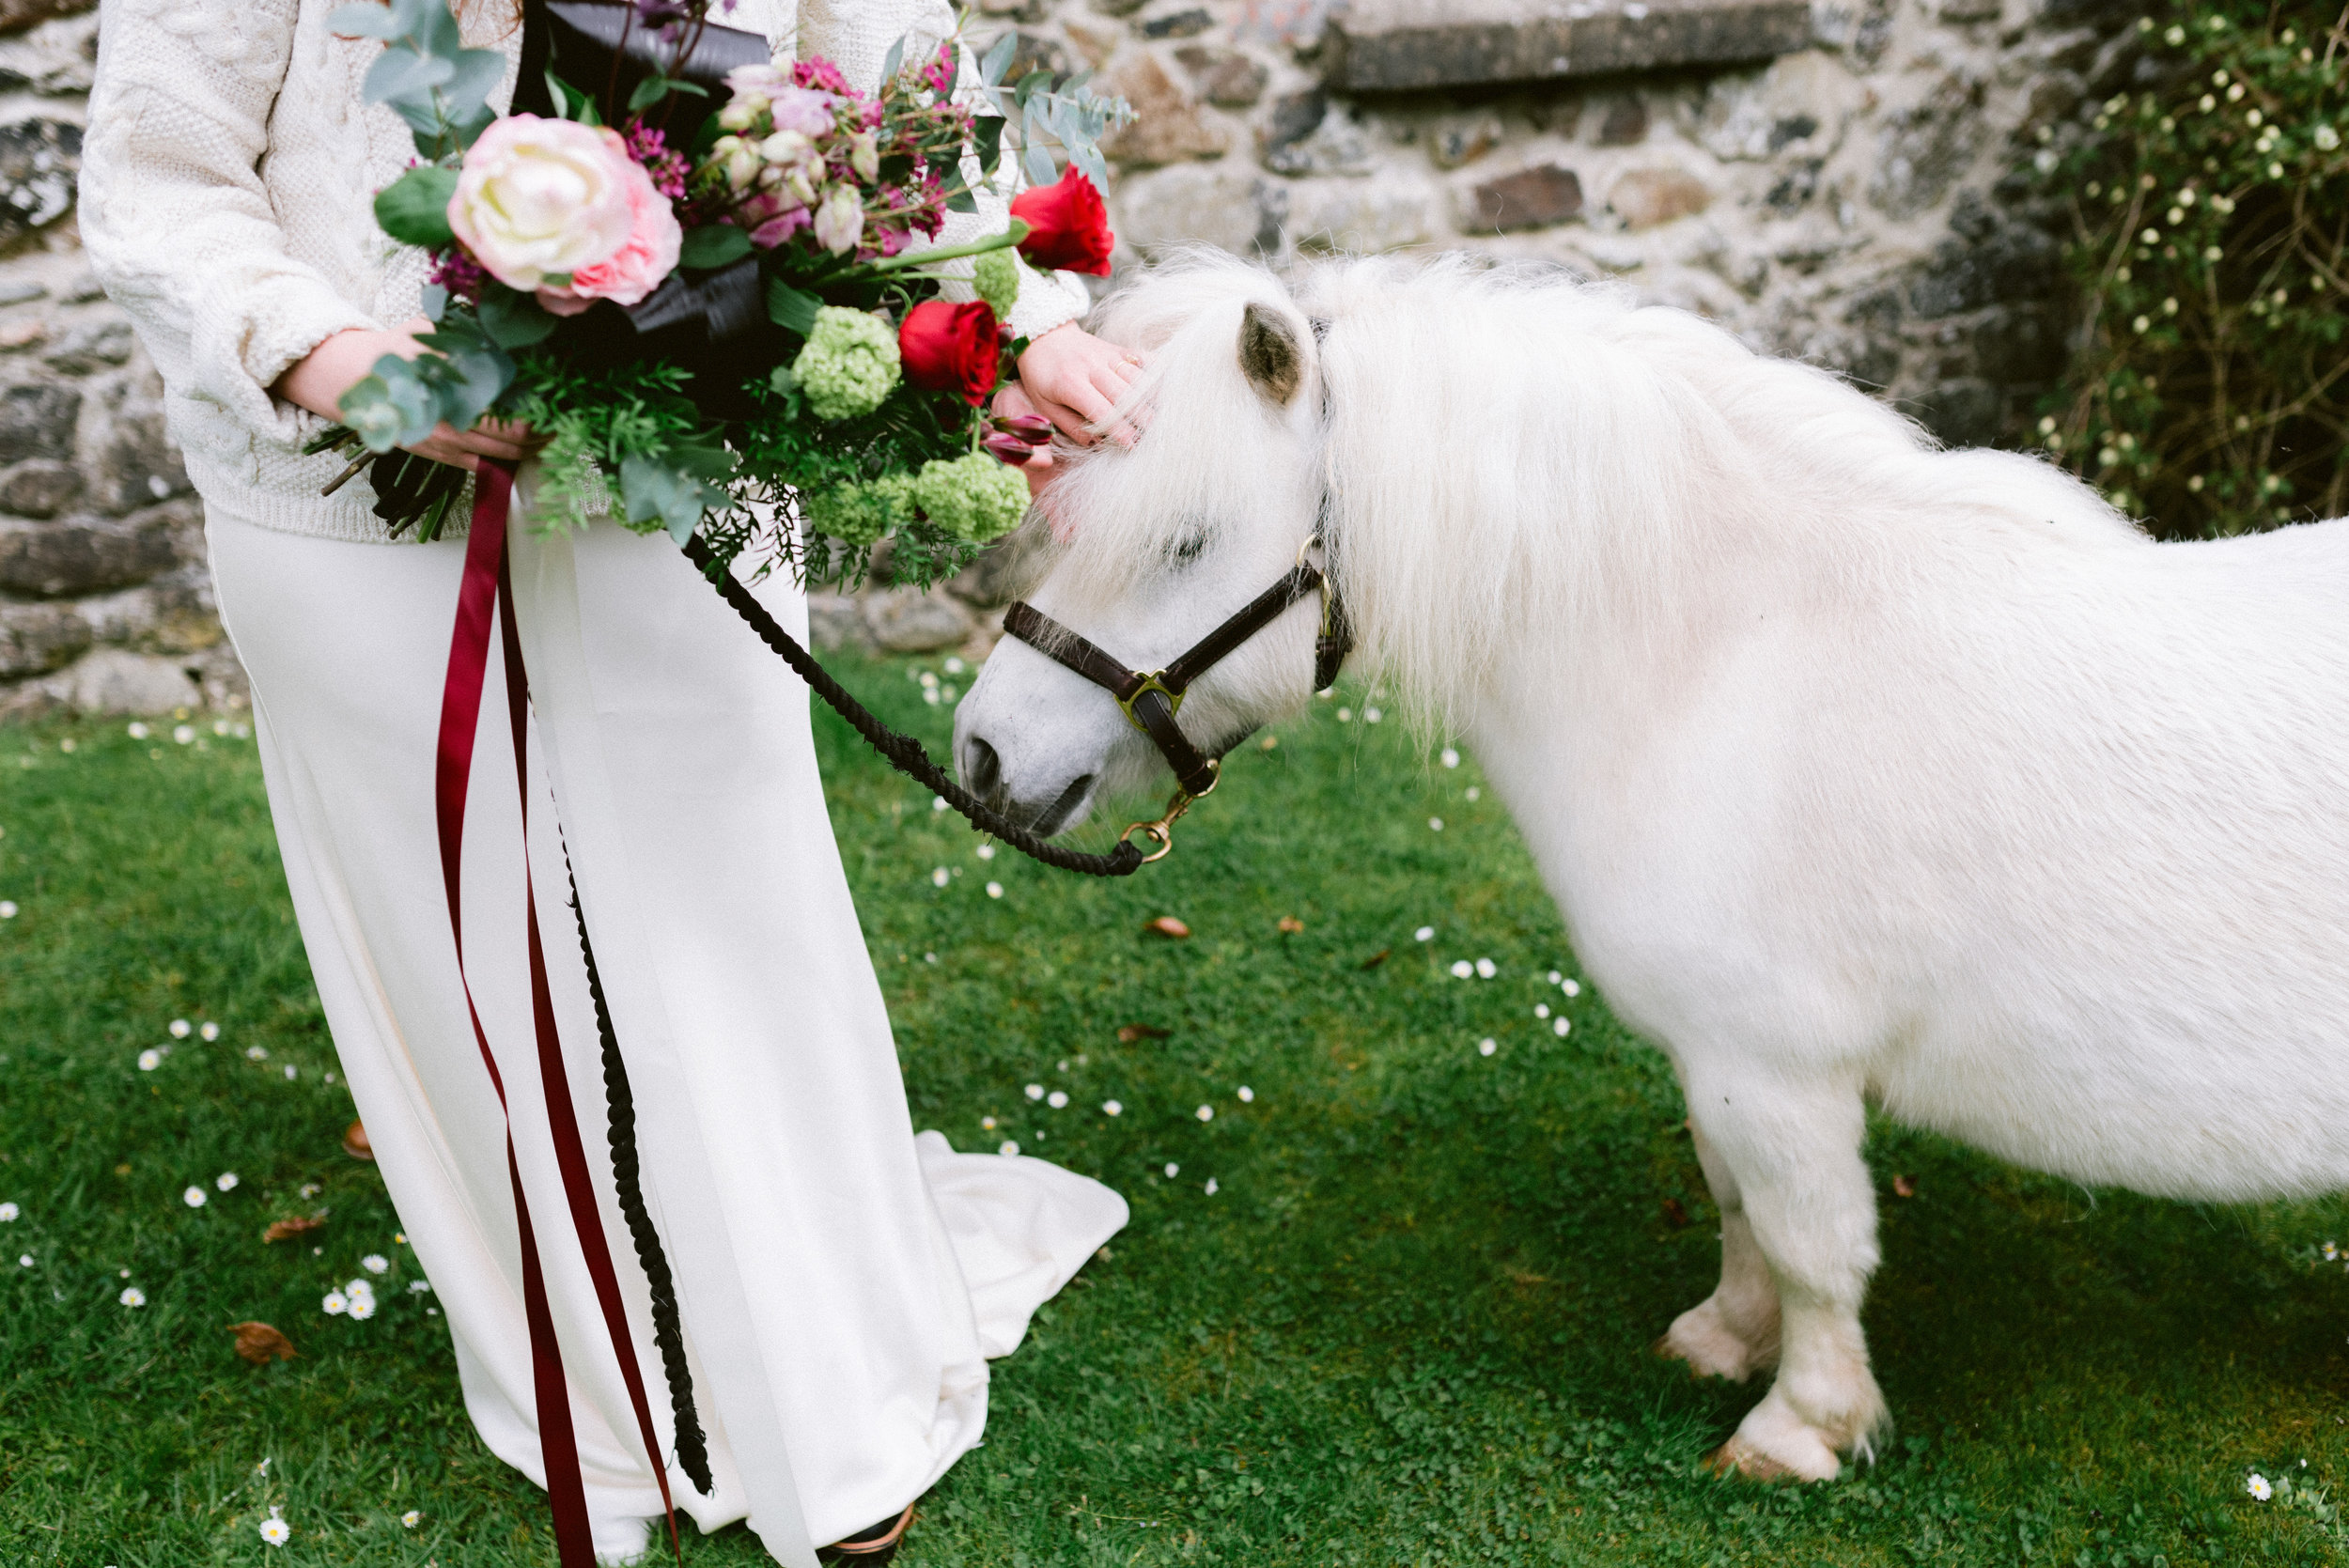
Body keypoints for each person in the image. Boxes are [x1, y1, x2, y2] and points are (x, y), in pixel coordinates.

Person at [81, 1, 1138, 1562]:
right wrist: (345, 360)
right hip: (343, 506)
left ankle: (825, 1389)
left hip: (687, 458)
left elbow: (898, 84)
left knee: (736, 909)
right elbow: (160, 171)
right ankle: (593, 1382)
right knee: (471, 960)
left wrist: (1014, 319)